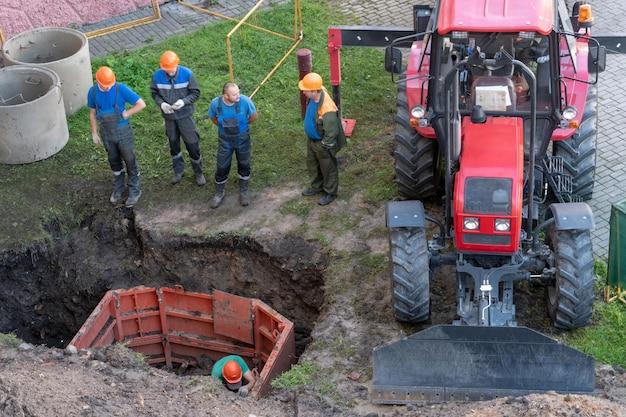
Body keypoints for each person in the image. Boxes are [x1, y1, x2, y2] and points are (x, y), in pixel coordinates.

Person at [88, 66, 146, 208]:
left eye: (110, 85)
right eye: (105, 86)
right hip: (107, 133)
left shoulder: (121, 89)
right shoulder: (93, 92)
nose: (108, 88)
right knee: (113, 160)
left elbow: (141, 104)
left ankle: (134, 190)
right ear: (98, 82)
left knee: (129, 159)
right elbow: (92, 113)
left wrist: (128, 113)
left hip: (123, 132)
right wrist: (94, 133)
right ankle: (118, 187)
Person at [150, 50, 206, 186]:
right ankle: (178, 171)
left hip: (185, 116)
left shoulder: (187, 74)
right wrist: (161, 104)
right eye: (166, 70)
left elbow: (195, 93)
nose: (169, 72)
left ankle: (198, 172)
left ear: (177, 65)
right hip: (169, 118)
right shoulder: (157, 76)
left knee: (192, 143)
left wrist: (184, 101)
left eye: (171, 69)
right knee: (173, 144)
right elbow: (154, 93)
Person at [298, 72, 347, 206]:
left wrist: (325, 145)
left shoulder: (327, 108)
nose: (303, 93)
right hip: (312, 139)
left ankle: (330, 192)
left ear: (314, 91)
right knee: (312, 164)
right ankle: (316, 186)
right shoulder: (317, 92)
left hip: (322, 143)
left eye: (305, 91)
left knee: (327, 167)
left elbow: (332, 132)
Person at [208, 82, 258, 208]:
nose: (238, 96)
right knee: (222, 165)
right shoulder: (215, 104)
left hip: (242, 139)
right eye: (235, 94)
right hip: (225, 141)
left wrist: (243, 126)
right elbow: (213, 119)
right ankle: (219, 192)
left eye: (238, 93)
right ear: (226, 96)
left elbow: (253, 116)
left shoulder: (245, 102)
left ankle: (244, 190)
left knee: (244, 163)